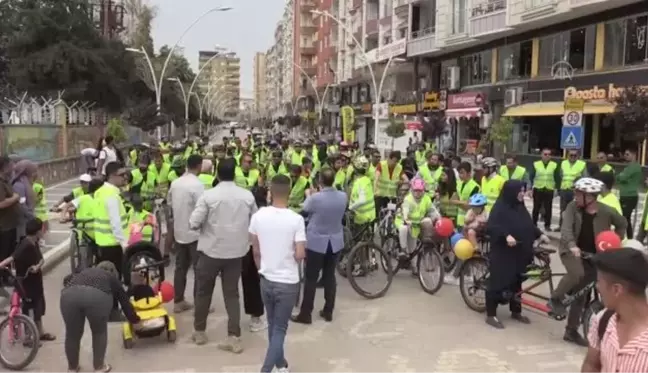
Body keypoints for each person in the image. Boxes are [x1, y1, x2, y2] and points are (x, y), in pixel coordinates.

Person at [189, 158, 257, 351]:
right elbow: (254, 220)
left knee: (203, 292)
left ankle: (200, 332)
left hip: (211, 251)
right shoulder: (247, 196)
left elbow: (194, 222)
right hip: (236, 253)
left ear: (216, 174)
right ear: (234, 174)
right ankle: (234, 337)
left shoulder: (208, 196)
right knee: (232, 294)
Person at [549, 177, 627, 346]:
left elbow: (622, 224)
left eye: (578, 193)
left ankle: (571, 330)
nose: (575, 196)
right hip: (571, 251)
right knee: (577, 273)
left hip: (593, 255)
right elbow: (566, 229)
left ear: (590, 197)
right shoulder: (572, 207)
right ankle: (556, 298)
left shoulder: (607, 211)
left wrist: (615, 240)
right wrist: (571, 245)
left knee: (581, 295)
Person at [249, 174, 306, 373]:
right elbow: (300, 254)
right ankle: (266, 369)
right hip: (288, 282)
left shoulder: (258, 216)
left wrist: (261, 269)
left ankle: (280, 364)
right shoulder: (297, 220)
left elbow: (255, 250)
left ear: (270, 192)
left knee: (273, 326)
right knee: (280, 329)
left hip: (266, 279)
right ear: (289, 193)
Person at [485, 180, 549, 329]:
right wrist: (506, 235)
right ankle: (491, 314)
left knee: (517, 281)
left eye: (523, 190)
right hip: (503, 253)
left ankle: (516, 311)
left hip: (520, 252)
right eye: (519, 190)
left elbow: (528, 225)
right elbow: (492, 226)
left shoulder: (520, 207)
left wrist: (540, 235)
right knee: (497, 282)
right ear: (511, 192)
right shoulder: (500, 208)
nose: (522, 193)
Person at [61, 261, 141, 373]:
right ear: (114, 272)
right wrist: (135, 320)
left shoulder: (84, 271)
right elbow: (124, 301)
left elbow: (66, 280)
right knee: (99, 332)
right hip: (97, 296)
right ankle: (99, 367)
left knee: (72, 334)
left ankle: (72, 368)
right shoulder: (111, 278)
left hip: (69, 295)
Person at [291, 168, 347, 324]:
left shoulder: (315, 198)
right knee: (329, 277)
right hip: (335, 242)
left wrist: (310, 194)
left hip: (316, 243)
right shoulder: (343, 196)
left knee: (311, 279)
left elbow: (305, 210)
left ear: (320, 181)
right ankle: (328, 310)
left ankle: (305, 313)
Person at [581, 248, 648, 373]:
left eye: (599, 281)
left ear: (616, 289)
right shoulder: (603, 321)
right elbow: (591, 365)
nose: (597, 287)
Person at [0, 218, 55, 340]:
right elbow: (12, 257)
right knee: (28, 308)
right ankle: (28, 337)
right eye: (42, 229)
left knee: (39, 308)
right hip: (26, 283)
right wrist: (1, 265)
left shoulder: (35, 242)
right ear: (38, 231)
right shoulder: (25, 244)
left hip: (36, 282)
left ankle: (40, 332)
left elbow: (41, 260)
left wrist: (37, 266)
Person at [92, 161, 130, 321]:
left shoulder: (100, 192)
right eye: (122, 175)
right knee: (114, 281)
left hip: (101, 243)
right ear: (113, 175)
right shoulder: (112, 196)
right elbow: (115, 224)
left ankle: (104, 309)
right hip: (113, 245)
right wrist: (125, 245)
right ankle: (113, 312)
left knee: (104, 280)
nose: (125, 178)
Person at [168, 154, 204, 313]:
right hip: (194, 234)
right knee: (199, 269)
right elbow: (203, 209)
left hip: (179, 232)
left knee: (180, 267)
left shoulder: (175, 184)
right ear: (199, 166)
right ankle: (200, 303)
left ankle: (178, 301)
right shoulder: (197, 184)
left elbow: (169, 203)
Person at [395, 178, 440, 255]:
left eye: (420, 190)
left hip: (415, 225)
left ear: (423, 190)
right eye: (416, 190)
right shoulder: (408, 199)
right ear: (412, 190)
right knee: (403, 228)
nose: (418, 193)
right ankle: (403, 250)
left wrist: (438, 218)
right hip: (403, 221)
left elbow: (432, 210)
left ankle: (427, 241)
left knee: (412, 252)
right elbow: (406, 210)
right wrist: (406, 219)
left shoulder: (426, 198)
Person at [0, 155, 20, 305]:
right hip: (3, 225)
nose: (12, 167)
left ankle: (6, 277)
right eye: (10, 164)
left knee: (9, 252)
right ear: (4, 166)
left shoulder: (6, 181)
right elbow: (1, 203)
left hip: (11, 224)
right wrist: (15, 198)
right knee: (3, 254)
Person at [529, 148, 559, 231]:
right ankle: (534, 224)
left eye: (549, 154)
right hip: (538, 188)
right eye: (545, 154)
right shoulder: (536, 164)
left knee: (548, 209)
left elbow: (557, 178)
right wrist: (530, 188)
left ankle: (547, 225)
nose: (547, 156)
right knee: (536, 208)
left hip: (549, 189)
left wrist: (557, 189)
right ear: (541, 155)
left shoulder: (554, 165)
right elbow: (531, 176)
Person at [616, 148, 642, 238]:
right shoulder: (627, 167)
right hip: (624, 195)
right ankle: (625, 237)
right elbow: (618, 178)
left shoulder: (635, 167)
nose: (625, 156)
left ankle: (627, 238)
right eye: (625, 154)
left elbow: (622, 178)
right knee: (623, 218)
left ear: (634, 155)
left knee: (625, 218)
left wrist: (620, 176)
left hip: (630, 196)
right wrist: (620, 176)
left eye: (627, 154)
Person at [558, 150, 588, 230]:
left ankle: (573, 227)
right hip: (564, 189)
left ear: (578, 156)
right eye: (571, 155)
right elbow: (561, 175)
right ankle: (561, 226)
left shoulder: (582, 164)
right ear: (568, 155)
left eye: (575, 155)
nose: (573, 157)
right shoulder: (563, 163)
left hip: (575, 191)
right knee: (563, 209)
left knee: (575, 210)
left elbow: (585, 177)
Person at [374, 151, 407, 215]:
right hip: (380, 195)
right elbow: (376, 178)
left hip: (392, 197)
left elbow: (406, 180)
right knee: (377, 214)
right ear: (389, 158)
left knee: (391, 214)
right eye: (394, 161)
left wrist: (401, 182)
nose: (395, 163)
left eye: (397, 161)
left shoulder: (399, 167)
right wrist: (374, 191)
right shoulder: (381, 165)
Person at [12, 159, 38, 240]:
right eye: (32, 171)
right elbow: (21, 205)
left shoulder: (27, 184)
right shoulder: (19, 185)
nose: (34, 173)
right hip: (22, 223)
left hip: (27, 221)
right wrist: (32, 216)